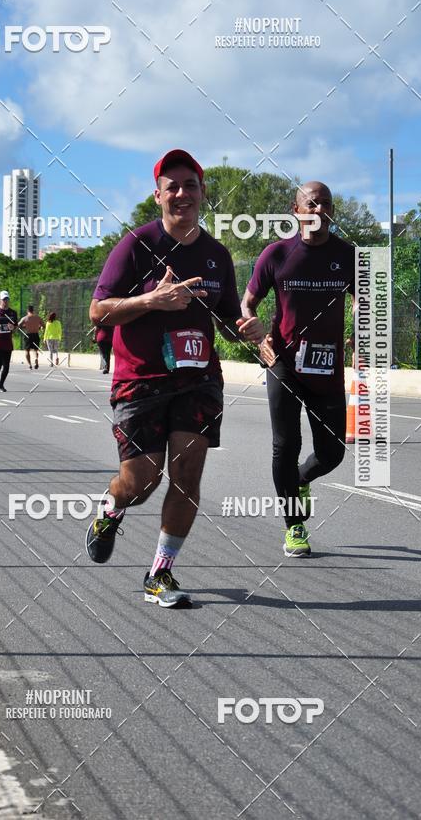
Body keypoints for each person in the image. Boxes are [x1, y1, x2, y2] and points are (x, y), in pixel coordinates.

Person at [84, 149, 264, 607]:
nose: (182, 194)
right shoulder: (135, 246)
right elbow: (98, 312)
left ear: (203, 193)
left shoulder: (216, 254)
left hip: (198, 377)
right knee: (141, 482)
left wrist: (247, 328)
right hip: (139, 379)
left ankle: (160, 573)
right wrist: (152, 301)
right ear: (158, 194)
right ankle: (110, 509)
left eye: (191, 185)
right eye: (173, 186)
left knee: (187, 473)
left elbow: (225, 320)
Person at [241, 181, 355, 558]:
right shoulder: (276, 254)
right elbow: (247, 304)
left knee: (332, 453)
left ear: (332, 211)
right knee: (285, 445)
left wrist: (361, 322)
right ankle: (294, 527)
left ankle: (302, 480)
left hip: (327, 367)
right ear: (296, 211)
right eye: (311, 203)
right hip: (284, 364)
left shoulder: (349, 255)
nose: (319, 208)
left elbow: (366, 300)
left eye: (325, 203)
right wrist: (259, 339)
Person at [18, 304, 44, 370]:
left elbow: (18, 325)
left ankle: (29, 365)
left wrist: (24, 326)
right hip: (36, 334)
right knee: (36, 350)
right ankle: (36, 359)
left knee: (27, 351)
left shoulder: (25, 318)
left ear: (27, 310)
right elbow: (43, 325)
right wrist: (39, 327)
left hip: (28, 335)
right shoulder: (38, 318)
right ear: (33, 310)